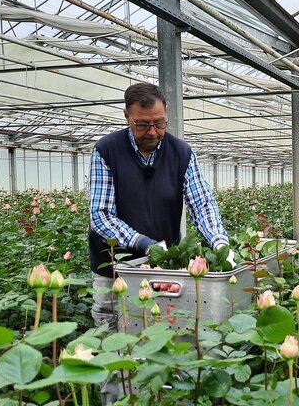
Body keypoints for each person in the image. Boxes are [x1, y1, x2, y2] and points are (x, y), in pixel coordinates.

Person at [87, 82, 231, 404]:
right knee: (117, 344)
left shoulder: (181, 153)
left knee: (169, 334)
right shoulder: (106, 151)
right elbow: (100, 215)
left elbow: (202, 203)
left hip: (163, 269)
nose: (153, 131)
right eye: (143, 124)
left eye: (160, 122)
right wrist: (143, 243)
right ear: (127, 117)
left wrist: (219, 243)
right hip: (113, 271)